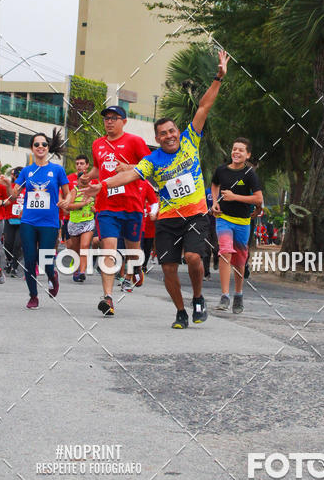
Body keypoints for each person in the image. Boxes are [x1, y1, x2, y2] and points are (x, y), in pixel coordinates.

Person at [85, 50, 230, 328]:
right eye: (163, 134)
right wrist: (100, 186)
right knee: (168, 268)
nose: (169, 136)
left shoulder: (190, 140)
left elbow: (203, 107)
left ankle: (198, 297)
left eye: (172, 131)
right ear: (157, 138)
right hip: (167, 220)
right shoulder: (152, 161)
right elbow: (129, 177)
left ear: (178, 131)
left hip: (196, 215)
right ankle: (180, 311)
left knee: (193, 257)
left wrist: (218, 78)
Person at [82, 106, 150, 317]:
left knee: (132, 253)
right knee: (108, 250)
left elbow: (149, 167)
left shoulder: (135, 141)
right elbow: (98, 168)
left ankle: (136, 268)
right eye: (106, 119)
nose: (109, 122)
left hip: (132, 206)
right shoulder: (97, 144)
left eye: (114, 118)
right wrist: (88, 176)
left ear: (124, 121)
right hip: (106, 207)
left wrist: (128, 167)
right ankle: (108, 297)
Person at [1, 130, 69, 309]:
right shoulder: (27, 171)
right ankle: (33, 296)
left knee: (45, 259)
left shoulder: (57, 169)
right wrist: (9, 186)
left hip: (49, 222)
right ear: (32, 148)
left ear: (48, 148)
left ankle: (52, 275)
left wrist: (65, 201)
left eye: (44, 144)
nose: (40, 147)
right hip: (29, 221)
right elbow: (14, 195)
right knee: (30, 259)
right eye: (37, 144)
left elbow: (68, 194)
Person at [211, 138, 263, 314]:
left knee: (240, 262)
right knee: (225, 252)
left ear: (247, 155)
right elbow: (215, 184)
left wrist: (235, 197)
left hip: (242, 222)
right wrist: (215, 202)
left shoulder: (250, 174)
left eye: (241, 150)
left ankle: (238, 294)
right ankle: (225, 296)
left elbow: (258, 199)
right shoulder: (221, 170)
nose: (237, 152)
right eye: (234, 149)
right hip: (223, 218)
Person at [60, 166, 98, 283]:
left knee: (85, 246)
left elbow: (98, 207)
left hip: (88, 222)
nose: (85, 182)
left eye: (87, 181)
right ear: (78, 181)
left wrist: (94, 208)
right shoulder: (74, 191)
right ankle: (77, 269)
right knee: (76, 250)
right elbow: (68, 206)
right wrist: (82, 203)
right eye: (82, 181)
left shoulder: (94, 191)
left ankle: (82, 272)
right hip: (74, 223)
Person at [3, 167, 24, 277]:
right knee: (8, 243)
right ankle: (10, 260)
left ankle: (14, 266)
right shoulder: (10, 187)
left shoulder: (28, 188)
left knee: (17, 244)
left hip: (23, 221)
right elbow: (7, 200)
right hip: (10, 219)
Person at [202, 185, 219, 280]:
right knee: (206, 250)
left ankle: (216, 260)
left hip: (218, 225)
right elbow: (201, 204)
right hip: (206, 225)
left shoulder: (222, 193)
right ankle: (206, 273)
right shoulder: (206, 191)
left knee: (216, 248)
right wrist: (207, 210)